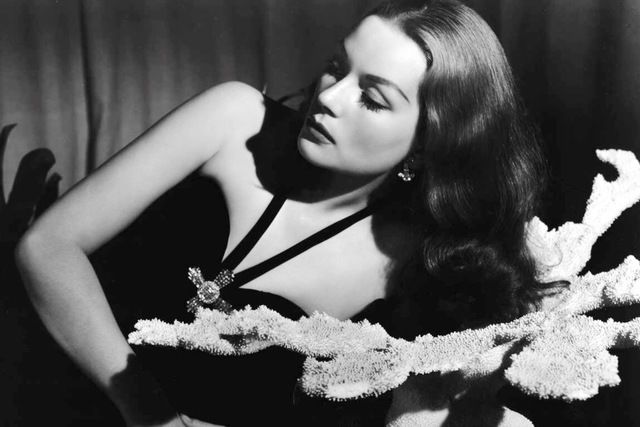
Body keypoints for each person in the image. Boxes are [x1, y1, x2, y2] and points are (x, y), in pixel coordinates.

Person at [15, 0, 549, 425]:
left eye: (373, 98)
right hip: (39, 386)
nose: (330, 97)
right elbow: (46, 245)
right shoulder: (232, 119)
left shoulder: (411, 274)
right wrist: (148, 412)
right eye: (336, 68)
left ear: (430, 144)